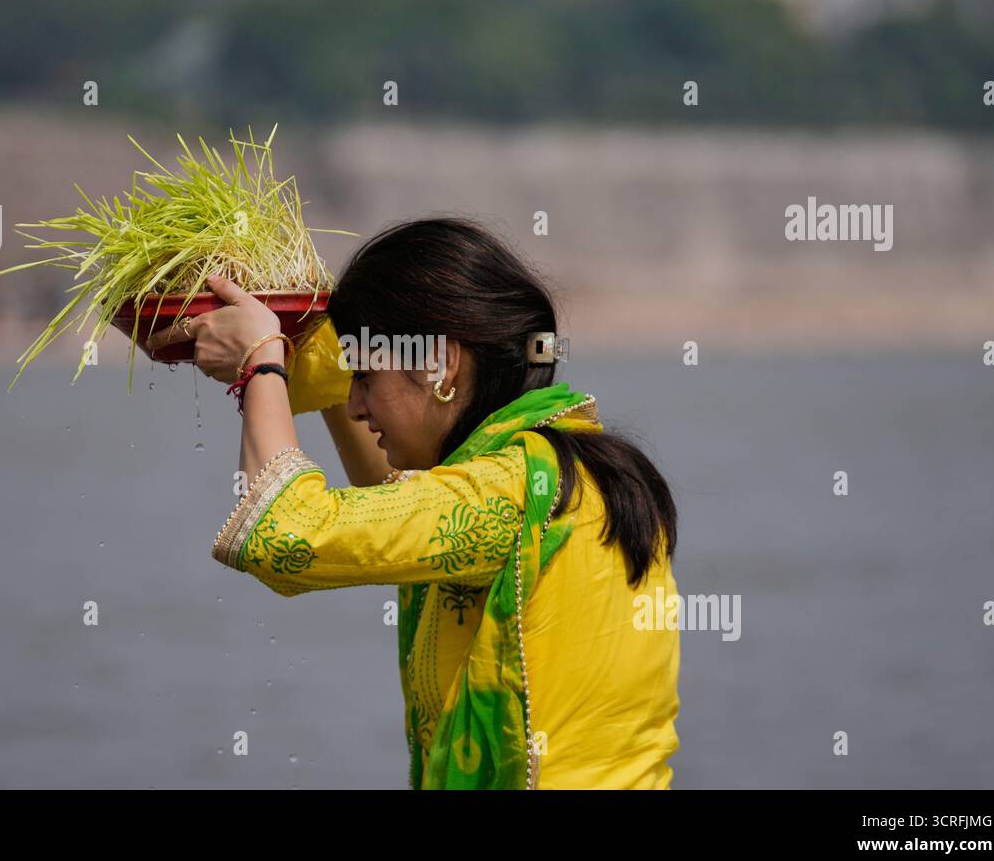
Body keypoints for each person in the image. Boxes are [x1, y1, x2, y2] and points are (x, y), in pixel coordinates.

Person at [147, 217, 680, 789]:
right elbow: (390, 507)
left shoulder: (511, 490)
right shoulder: (569, 468)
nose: (354, 406)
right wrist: (303, 339)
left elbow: (284, 533)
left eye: (366, 377)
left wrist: (262, 360)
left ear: (440, 365)